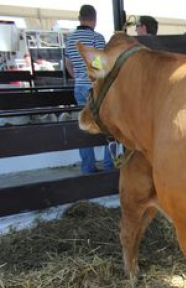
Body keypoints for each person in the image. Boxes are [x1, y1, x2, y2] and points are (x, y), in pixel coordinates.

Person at [64, 5, 114, 174]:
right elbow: (98, 66)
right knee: (108, 125)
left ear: (80, 18)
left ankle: (87, 168)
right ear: (94, 19)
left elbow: (68, 64)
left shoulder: (70, 40)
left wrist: (78, 77)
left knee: (84, 127)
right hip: (94, 88)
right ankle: (109, 165)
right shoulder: (96, 38)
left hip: (78, 87)